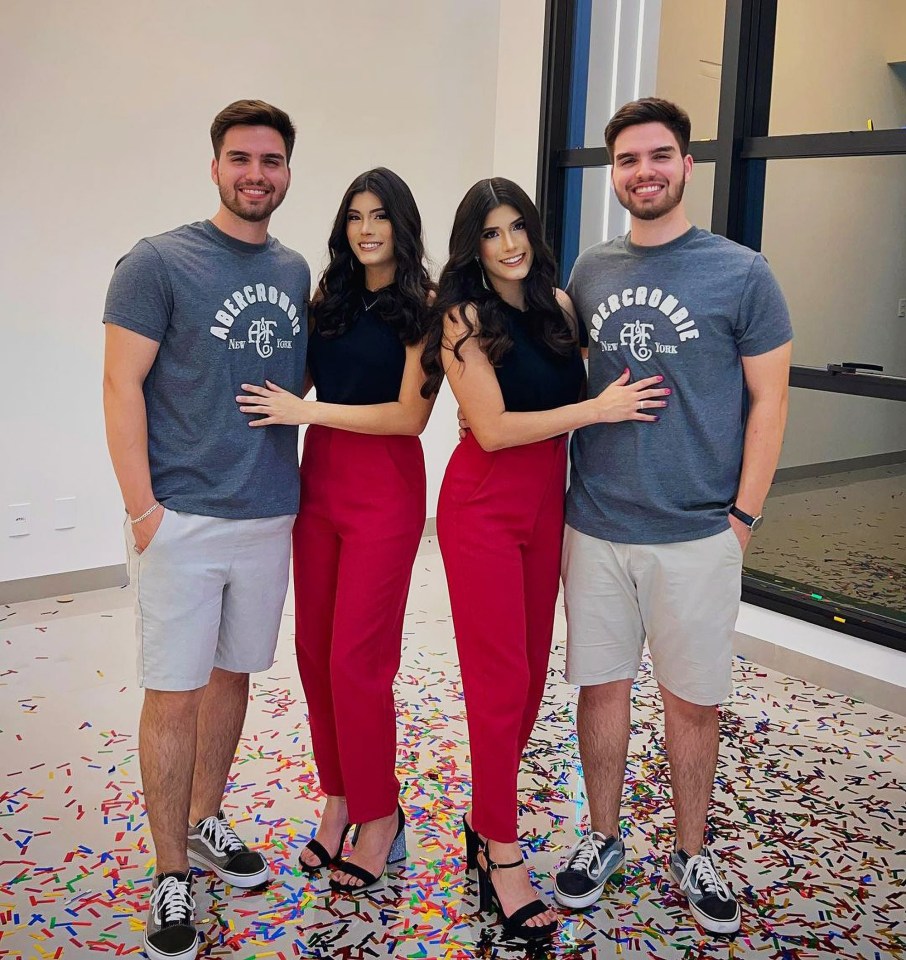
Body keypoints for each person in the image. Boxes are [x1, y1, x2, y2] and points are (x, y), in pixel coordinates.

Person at [552, 98, 792, 936]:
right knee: (601, 689)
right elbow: (564, 380)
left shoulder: (742, 272)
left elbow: (769, 401)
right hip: (597, 523)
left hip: (697, 531)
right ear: (613, 173)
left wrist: (743, 518)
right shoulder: (590, 270)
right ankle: (604, 836)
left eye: (659, 156)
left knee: (693, 702)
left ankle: (693, 849)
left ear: (688, 165)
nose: (643, 172)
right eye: (627, 160)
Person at [419, 178, 670, 942]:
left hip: (545, 509)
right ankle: (501, 850)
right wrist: (594, 411)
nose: (509, 244)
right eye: (492, 233)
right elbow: (491, 431)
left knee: (528, 680)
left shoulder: (560, 306)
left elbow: (602, 360)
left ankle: (479, 812)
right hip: (482, 510)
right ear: (474, 244)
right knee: (499, 683)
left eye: (517, 226)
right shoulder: (459, 316)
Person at [102, 100, 308, 960]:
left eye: (270, 160)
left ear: (288, 171)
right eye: (240, 158)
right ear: (215, 165)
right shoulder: (157, 262)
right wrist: (144, 510)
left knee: (231, 681)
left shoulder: (297, 270)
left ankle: (206, 820)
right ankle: (169, 872)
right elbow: (119, 387)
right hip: (181, 519)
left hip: (268, 516)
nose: (255, 173)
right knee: (174, 693)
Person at [235, 168, 435, 894]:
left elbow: (408, 417)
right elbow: (294, 383)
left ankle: (382, 815)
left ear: (401, 224)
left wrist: (306, 412)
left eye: (380, 215)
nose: (366, 228)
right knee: (315, 652)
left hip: (384, 488)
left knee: (358, 658)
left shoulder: (425, 307)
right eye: (355, 216)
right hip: (318, 488)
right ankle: (340, 796)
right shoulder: (330, 300)